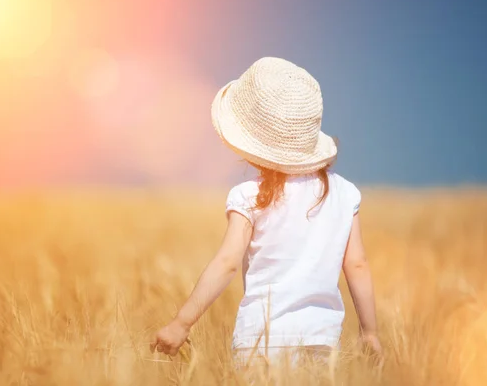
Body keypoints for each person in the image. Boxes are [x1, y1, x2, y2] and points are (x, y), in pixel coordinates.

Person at [150, 57, 383, 367]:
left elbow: (227, 263)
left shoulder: (249, 196)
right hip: (322, 345)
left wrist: (181, 323)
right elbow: (357, 265)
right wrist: (369, 332)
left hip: (258, 345)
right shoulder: (344, 194)